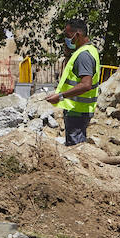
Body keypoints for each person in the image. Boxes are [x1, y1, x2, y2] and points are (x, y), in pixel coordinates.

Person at [46, 19, 99, 147]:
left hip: (78, 111)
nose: (66, 40)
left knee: (76, 149)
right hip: (78, 110)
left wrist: (60, 96)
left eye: (68, 36)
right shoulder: (87, 51)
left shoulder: (84, 55)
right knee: (76, 146)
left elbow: (86, 84)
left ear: (78, 35)